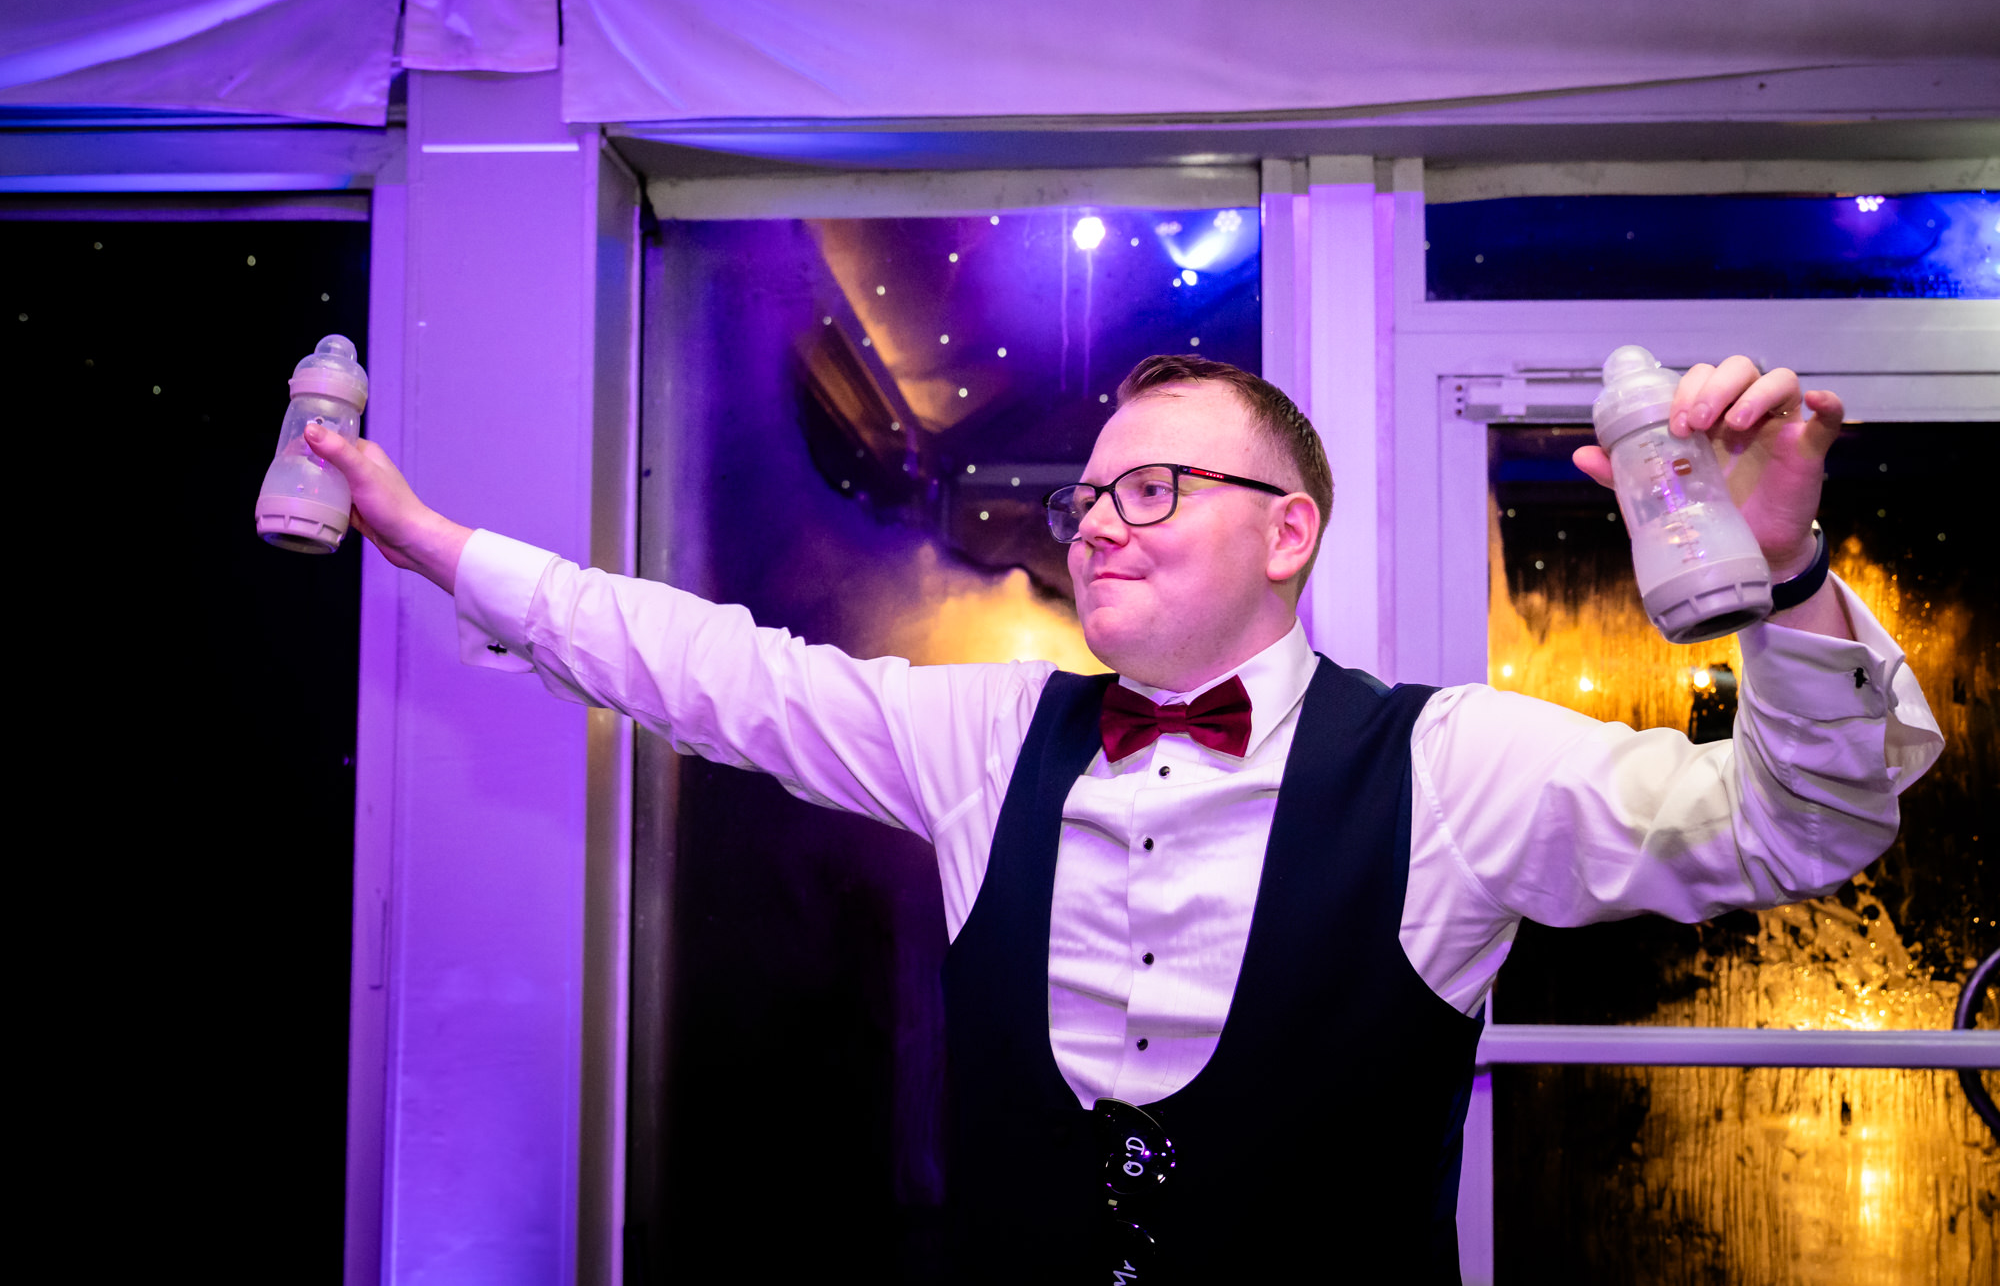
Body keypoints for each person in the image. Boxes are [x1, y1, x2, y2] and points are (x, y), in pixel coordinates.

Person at [307, 353, 1940, 1284]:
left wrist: (1784, 580)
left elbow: (1800, 822)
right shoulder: (986, 736)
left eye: (1152, 487)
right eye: (1086, 496)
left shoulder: (1451, 763)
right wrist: (439, 542)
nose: (1094, 523)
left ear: (1289, 532)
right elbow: (714, 674)